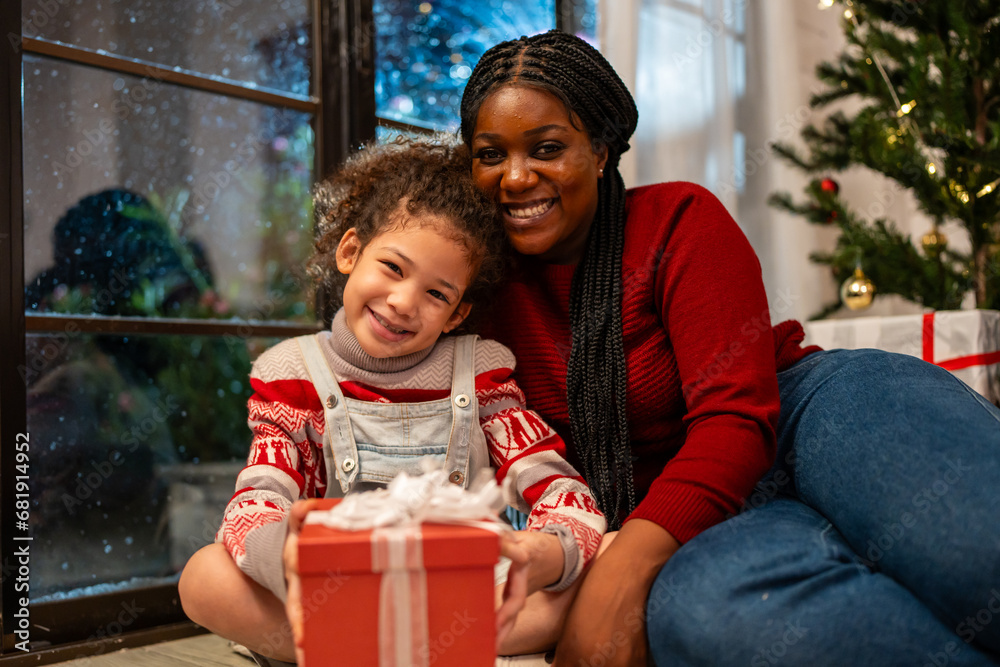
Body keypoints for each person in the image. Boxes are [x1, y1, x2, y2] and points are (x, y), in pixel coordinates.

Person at [459, 30, 1000, 667]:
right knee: (712, 616)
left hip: (810, 414)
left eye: (547, 148)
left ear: (601, 151)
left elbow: (734, 418)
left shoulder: (678, 217)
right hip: (699, 509)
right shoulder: (470, 286)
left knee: (969, 549)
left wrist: (621, 568)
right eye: (490, 154)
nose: (516, 177)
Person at [178, 138, 607, 666]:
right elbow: (255, 502)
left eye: (437, 294)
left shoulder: (482, 374)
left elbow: (561, 488)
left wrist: (548, 551)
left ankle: (365, 651)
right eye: (394, 268)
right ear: (350, 252)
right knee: (203, 577)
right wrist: (283, 555)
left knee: (606, 554)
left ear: (456, 314)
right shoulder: (293, 376)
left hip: (466, 591)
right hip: (337, 592)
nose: (403, 303)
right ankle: (421, 650)